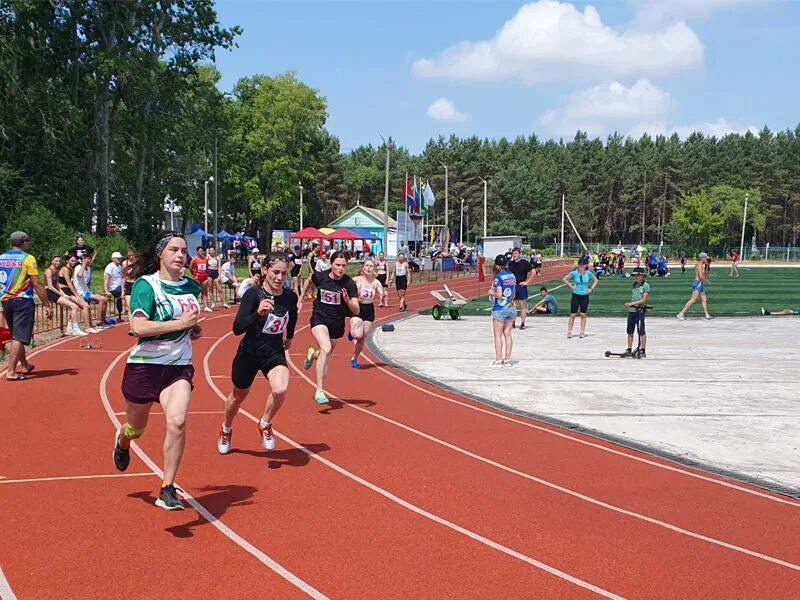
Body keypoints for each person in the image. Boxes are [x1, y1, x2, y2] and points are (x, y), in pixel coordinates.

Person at [113, 231, 202, 511]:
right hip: (144, 368)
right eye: (173, 250)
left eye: (184, 251)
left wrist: (191, 329)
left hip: (178, 368)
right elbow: (139, 328)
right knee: (136, 429)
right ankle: (122, 440)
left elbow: (187, 322)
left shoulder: (193, 287)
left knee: (177, 421)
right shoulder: (145, 286)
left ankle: (167, 488)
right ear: (160, 254)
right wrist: (180, 325)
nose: (179, 255)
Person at [217, 253, 298, 455]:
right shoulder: (253, 295)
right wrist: (258, 313)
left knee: (280, 389)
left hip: (273, 352)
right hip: (249, 352)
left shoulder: (289, 297)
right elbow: (237, 328)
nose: (279, 277)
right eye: (275, 272)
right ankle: (226, 429)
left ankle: (265, 423)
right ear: (264, 271)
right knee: (237, 396)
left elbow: (293, 316)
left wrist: (290, 337)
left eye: (283, 273)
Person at [298, 251, 359, 404]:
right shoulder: (321, 276)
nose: (340, 268)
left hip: (337, 324)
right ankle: (319, 390)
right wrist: (301, 298)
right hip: (319, 319)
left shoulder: (348, 284)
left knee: (325, 353)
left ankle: (312, 355)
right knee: (326, 349)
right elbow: (309, 281)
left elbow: (356, 310)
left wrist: (347, 300)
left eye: (344, 266)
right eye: (338, 265)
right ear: (331, 264)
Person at [0, 231, 52, 380]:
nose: (29, 243)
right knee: (19, 336)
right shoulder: (28, 259)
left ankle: (25, 365)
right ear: (23, 242)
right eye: (28, 241)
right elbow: (36, 284)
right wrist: (47, 305)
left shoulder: (1, 258)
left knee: (16, 332)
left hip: (6, 300)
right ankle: (11, 371)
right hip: (22, 299)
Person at [348, 259, 383, 369]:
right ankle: (352, 332)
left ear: (373, 269)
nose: (368, 268)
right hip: (357, 308)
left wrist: (382, 294)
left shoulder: (376, 282)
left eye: (371, 266)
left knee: (362, 339)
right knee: (357, 335)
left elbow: (381, 291)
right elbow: (346, 287)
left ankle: (354, 358)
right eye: (366, 266)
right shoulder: (356, 280)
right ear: (363, 268)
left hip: (369, 310)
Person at [44, 255, 86, 337]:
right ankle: (75, 328)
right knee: (74, 307)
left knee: (74, 306)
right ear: (51, 261)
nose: (58, 263)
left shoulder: (56, 270)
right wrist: (61, 295)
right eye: (56, 261)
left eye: (59, 261)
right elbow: (50, 286)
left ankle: (70, 328)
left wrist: (64, 294)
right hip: (49, 292)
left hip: (55, 291)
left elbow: (57, 285)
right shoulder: (49, 270)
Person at [489, 254, 516, 367]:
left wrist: (491, 293)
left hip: (500, 308)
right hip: (511, 307)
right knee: (508, 334)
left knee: (497, 335)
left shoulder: (498, 277)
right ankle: (508, 359)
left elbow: (499, 294)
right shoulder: (512, 276)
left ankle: (499, 359)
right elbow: (514, 293)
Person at [562, 258, 598, 339]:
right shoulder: (574, 273)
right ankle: (569, 331)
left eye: (583, 264)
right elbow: (564, 279)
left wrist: (591, 289)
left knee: (583, 314)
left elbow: (596, 280)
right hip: (576, 295)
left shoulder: (588, 273)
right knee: (573, 314)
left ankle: (582, 332)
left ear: (586, 265)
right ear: (578, 265)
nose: (581, 266)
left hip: (584, 295)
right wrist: (571, 286)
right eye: (580, 264)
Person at [73, 255, 109, 327]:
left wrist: (92, 292)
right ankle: (99, 322)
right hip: (81, 292)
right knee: (101, 300)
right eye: (88, 259)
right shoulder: (78, 267)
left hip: (87, 291)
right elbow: (79, 275)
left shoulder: (89, 269)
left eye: (90, 259)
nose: (89, 261)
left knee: (105, 299)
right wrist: (83, 264)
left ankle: (103, 320)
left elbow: (87, 282)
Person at [677, 252, 712, 320]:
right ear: (702, 258)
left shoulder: (702, 265)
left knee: (704, 299)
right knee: (693, 300)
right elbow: (701, 276)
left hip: (700, 284)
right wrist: (707, 282)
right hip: (697, 283)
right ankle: (681, 313)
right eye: (705, 258)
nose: (706, 259)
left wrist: (708, 265)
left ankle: (706, 314)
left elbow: (706, 273)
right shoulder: (699, 265)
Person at [624, 267, 650, 358]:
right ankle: (629, 349)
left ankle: (643, 349)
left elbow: (643, 300)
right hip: (631, 311)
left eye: (638, 275)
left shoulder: (645, 285)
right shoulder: (634, 285)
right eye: (635, 275)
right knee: (630, 331)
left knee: (641, 331)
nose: (637, 277)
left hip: (639, 311)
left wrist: (631, 303)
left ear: (642, 276)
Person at [506, 247, 534, 330]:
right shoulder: (510, 264)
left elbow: (533, 271)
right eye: (513, 253)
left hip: (521, 285)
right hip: (512, 286)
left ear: (519, 254)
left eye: (516, 253)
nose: (514, 255)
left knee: (522, 305)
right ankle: (513, 321)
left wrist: (527, 282)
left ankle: (522, 323)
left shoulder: (525, 263)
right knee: (512, 304)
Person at [189, 247, 211, 312]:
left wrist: (206, 274)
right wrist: (194, 275)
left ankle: (206, 306)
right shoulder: (194, 259)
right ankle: (194, 306)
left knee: (204, 292)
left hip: (204, 277)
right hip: (197, 277)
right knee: (196, 291)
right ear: (197, 252)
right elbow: (190, 268)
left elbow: (207, 267)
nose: (202, 252)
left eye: (202, 251)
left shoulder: (205, 259)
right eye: (200, 251)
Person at [104, 251, 124, 317]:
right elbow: (106, 278)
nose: (120, 259)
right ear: (113, 259)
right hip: (113, 287)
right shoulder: (110, 267)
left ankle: (120, 314)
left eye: (120, 258)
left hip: (119, 286)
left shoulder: (119, 267)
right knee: (120, 293)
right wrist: (106, 290)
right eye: (118, 258)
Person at [122, 249, 137, 320]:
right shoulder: (125, 263)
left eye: (132, 255)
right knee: (128, 305)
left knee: (136, 305)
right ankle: (131, 324)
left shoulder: (138, 263)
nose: (130, 257)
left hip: (136, 284)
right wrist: (122, 290)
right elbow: (123, 277)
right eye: (129, 256)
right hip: (128, 284)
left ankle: (137, 321)